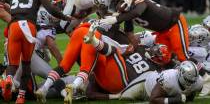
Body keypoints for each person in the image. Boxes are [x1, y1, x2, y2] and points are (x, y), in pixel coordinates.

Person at [35, 21, 168, 103]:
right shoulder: (146, 55)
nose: (153, 52)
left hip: (120, 80)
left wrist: (115, 96)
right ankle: (55, 88)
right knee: (84, 36)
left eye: (156, 54)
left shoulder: (153, 69)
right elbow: (90, 93)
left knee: (69, 63)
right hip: (112, 75)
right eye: (155, 50)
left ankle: (47, 87)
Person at [4, 0, 72, 104]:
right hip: (27, 30)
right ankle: (21, 95)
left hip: (13, 31)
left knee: (14, 66)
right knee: (48, 74)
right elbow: (51, 10)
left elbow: (12, 9)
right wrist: (64, 17)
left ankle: (8, 81)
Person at [98, 0, 190, 64]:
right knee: (162, 58)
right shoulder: (128, 15)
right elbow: (129, 33)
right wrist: (134, 49)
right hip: (161, 32)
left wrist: (116, 19)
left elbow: (138, 12)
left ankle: (203, 76)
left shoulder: (139, 0)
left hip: (174, 23)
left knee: (183, 56)